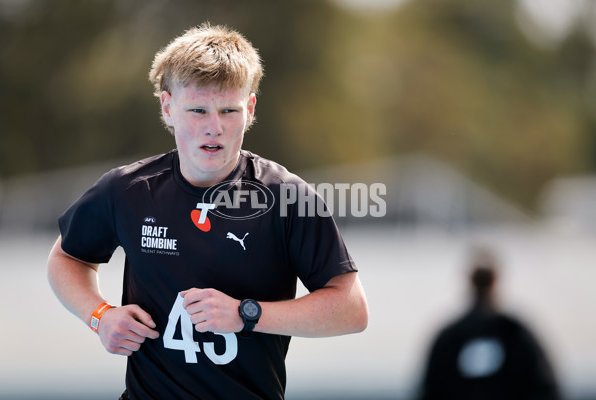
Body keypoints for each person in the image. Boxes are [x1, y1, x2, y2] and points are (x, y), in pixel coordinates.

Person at [47, 23, 368, 400]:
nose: (213, 128)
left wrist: (247, 315)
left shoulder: (287, 195)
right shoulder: (128, 190)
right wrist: (99, 315)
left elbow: (351, 310)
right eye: (197, 110)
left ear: (249, 110)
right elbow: (66, 257)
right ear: (168, 107)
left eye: (228, 110)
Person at [417, 247, 561, 400]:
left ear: (469, 280)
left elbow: (429, 390)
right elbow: (546, 387)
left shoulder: (449, 336)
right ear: (496, 281)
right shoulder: (516, 333)